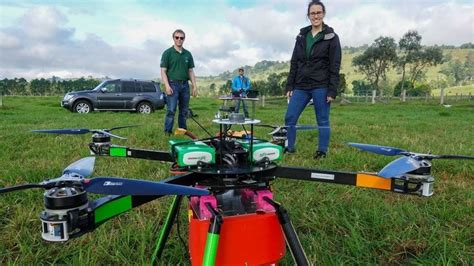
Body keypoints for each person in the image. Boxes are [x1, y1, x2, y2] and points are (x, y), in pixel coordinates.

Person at [284, 0, 341, 159]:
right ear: (308, 16)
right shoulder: (302, 36)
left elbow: (335, 65)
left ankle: (322, 151)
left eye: (318, 12)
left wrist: (332, 89)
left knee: (322, 119)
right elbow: (294, 62)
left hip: (321, 85)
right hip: (301, 85)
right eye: (312, 13)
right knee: (290, 117)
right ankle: (290, 147)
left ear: (323, 14)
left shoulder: (331, 37)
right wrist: (290, 86)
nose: (315, 16)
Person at [160, 29, 198, 135]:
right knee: (171, 110)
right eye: (177, 37)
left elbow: (190, 71)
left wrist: (194, 86)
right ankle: (167, 131)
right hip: (172, 84)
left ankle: (182, 131)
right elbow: (163, 71)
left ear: (184, 39)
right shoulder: (167, 53)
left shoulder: (188, 54)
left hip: (185, 85)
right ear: (173, 38)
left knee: (184, 110)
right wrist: (167, 86)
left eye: (181, 38)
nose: (179, 39)